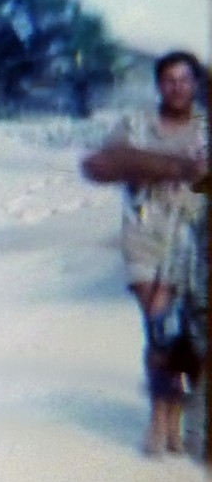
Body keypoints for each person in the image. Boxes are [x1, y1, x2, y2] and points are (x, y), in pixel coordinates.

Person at [81, 50, 209, 458]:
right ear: (158, 85)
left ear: (196, 84)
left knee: (188, 334)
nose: (177, 87)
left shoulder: (206, 129)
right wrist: (171, 167)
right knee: (158, 324)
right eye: (169, 80)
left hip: (191, 237)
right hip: (144, 233)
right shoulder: (136, 124)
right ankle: (160, 415)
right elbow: (97, 165)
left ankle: (177, 414)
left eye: (185, 79)